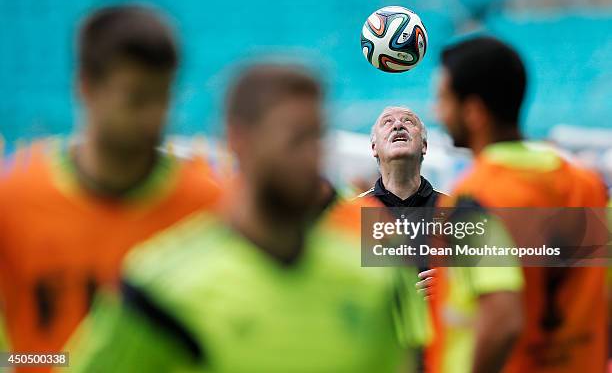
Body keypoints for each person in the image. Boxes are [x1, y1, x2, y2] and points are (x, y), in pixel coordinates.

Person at [65, 63, 429, 372]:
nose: (311, 158)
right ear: (239, 139)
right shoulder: (159, 289)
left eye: (317, 139)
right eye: (294, 140)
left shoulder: (373, 283)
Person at [0, 5, 220, 371]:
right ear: (86, 87)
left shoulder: (209, 207)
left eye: (162, 97)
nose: (153, 115)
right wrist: (49, 360)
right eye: (135, 98)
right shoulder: (13, 202)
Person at [431, 36, 608, 373]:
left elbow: (502, 320)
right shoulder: (587, 185)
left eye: (442, 99)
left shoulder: (476, 198)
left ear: (474, 113)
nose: (436, 111)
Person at [358, 106, 444, 208]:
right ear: (374, 147)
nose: (398, 125)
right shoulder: (350, 212)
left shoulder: (454, 209)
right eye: (387, 122)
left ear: (424, 145)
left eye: (408, 121)